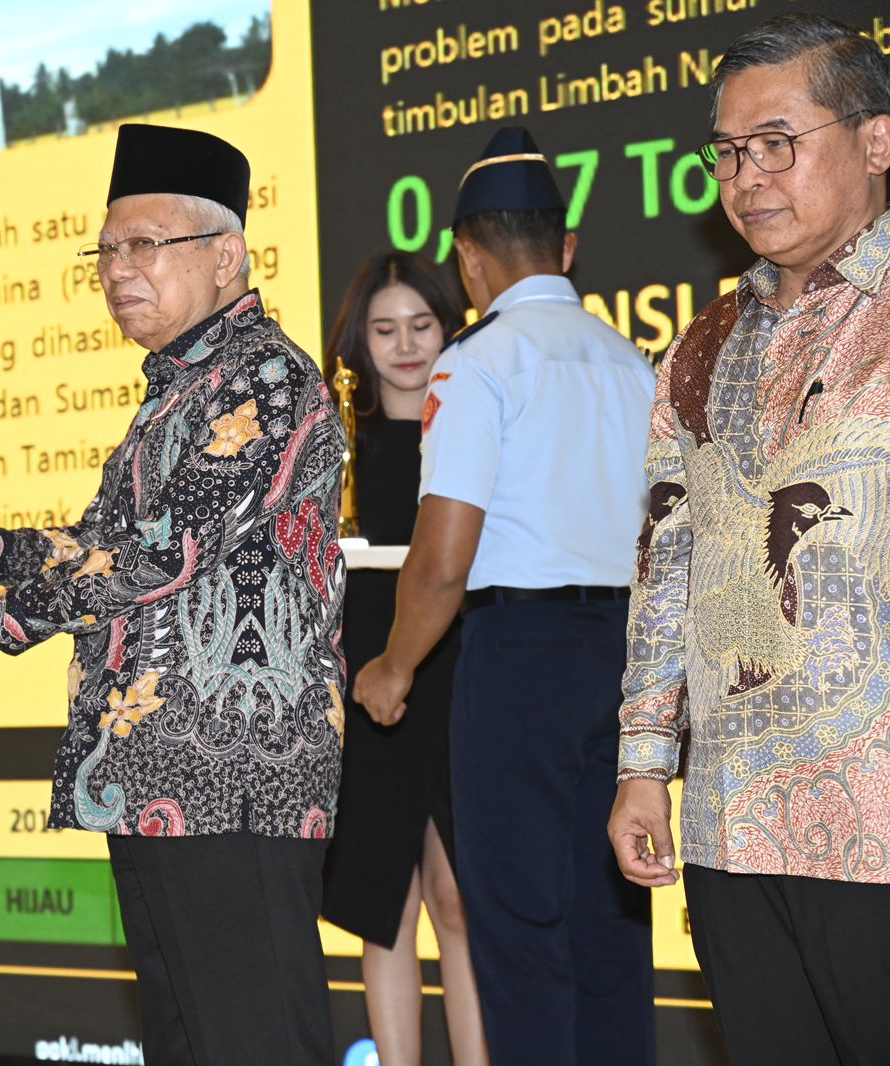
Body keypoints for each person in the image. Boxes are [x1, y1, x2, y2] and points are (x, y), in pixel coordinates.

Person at [0, 123, 346, 1066]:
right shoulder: (176, 391)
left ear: (226, 256)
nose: (119, 269)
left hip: (234, 776)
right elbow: (105, 545)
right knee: (189, 1042)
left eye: (146, 245)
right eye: (107, 250)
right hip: (157, 776)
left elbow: (168, 549)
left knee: (254, 1044)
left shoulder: (267, 381)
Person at [608, 14, 890, 1065]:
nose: (746, 175)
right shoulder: (701, 345)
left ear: (875, 139)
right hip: (732, 826)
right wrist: (643, 765)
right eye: (728, 152)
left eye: (777, 141)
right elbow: (666, 563)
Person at [351, 126, 657, 1066]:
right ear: (566, 249)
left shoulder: (476, 364)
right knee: (610, 930)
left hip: (516, 661)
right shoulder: (632, 363)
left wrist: (395, 666)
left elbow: (443, 557)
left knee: (519, 934)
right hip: (621, 654)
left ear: (469, 258)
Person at [319, 252, 488, 1066]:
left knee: (460, 899)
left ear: (450, 327)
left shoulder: (475, 427)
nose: (406, 345)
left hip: (459, 678)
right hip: (366, 686)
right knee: (384, 904)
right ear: (360, 340)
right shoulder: (334, 446)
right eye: (385, 329)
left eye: (422, 325)